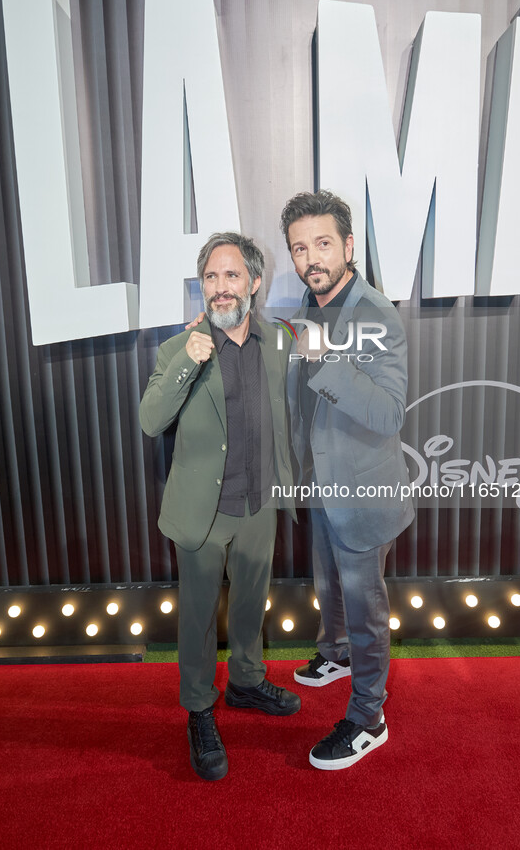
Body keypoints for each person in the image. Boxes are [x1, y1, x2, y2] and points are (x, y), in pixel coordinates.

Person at [139, 232, 299, 782]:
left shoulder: (277, 340)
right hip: (203, 515)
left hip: (260, 505)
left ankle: (247, 683)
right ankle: (200, 710)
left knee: (252, 606)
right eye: (211, 277)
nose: (220, 287)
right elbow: (150, 420)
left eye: (232, 276)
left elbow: (312, 358)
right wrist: (188, 360)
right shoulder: (177, 348)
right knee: (200, 621)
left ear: (254, 282)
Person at [280, 190, 414, 771]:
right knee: (328, 589)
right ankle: (333, 655)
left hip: (364, 496)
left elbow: (389, 413)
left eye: (323, 243)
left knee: (366, 609)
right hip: (323, 486)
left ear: (349, 246)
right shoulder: (311, 306)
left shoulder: (375, 314)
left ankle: (368, 717)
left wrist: (325, 360)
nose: (311, 257)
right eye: (299, 247)